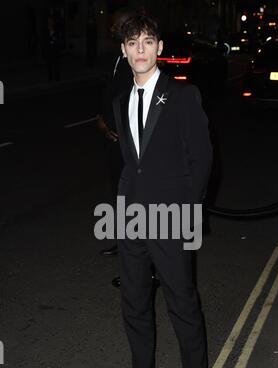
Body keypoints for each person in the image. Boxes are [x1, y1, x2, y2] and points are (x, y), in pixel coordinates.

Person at [109, 14, 218, 368]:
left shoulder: (183, 95)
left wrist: (186, 212)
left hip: (171, 218)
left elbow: (203, 160)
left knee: (183, 303)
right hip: (132, 218)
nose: (140, 49)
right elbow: (132, 164)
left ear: (159, 48)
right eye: (132, 42)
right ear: (124, 50)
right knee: (134, 300)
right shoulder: (121, 101)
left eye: (147, 41)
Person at [97, 8, 160, 289]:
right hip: (114, 143)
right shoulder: (118, 58)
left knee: (140, 207)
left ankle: (144, 268)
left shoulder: (139, 65)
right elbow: (110, 95)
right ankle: (127, 251)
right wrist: (102, 120)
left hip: (132, 147)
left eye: (118, 27)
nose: (112, 30)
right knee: (122, 200)